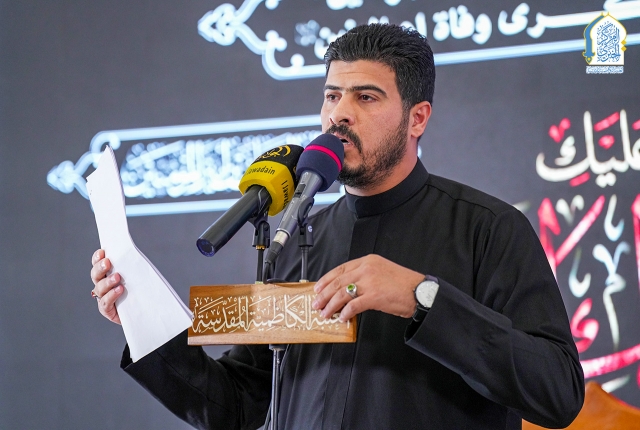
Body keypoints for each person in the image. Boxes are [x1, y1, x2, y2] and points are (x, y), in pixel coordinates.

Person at [91, 23, 584, 429]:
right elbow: (237, 406)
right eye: (332, 96)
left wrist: (422, 298)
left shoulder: (489, 230)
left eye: (366, 97)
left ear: (417, 118)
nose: (339, 114)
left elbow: (558, 393)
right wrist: (141, 319)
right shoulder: (293, 241)